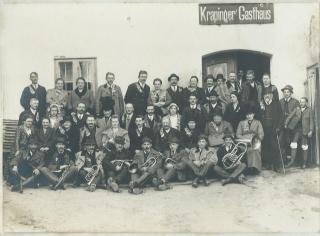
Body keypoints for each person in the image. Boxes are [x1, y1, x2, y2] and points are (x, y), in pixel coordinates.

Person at [287, 97, 314, 168]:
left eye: (303, 102)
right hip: (296, 130)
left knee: (304, 146)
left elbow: (311, 121)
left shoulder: (309, 110)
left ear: (306, 103)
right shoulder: (297, 109)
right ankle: (292, 161)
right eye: (301, 102)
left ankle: (304, 163)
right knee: (293, 144)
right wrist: (286, 124)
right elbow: (290, 116)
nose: (301, 103)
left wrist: (311, 130)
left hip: (305, 131)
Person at [279, 85, 301, 167]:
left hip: (293, 127)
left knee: (293, 143)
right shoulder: (280, 102)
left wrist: (290, 126)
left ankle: (292, 162)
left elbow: (298, 116)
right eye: (284, 92)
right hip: (282, 127)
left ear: (291, 93)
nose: (286, 94)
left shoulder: (296, 102)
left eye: (288, 92)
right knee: (281, 142)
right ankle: (283, 160)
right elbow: (278, 114)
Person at [236, 108, 264, 174]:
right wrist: (244, 139)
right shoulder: (242, 123)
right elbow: (238, 134)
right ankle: (247, 169)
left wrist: (257, 139)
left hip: (255, 141)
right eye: (247, 115)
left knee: (254, 150)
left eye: (250, 114)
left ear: (253, 115)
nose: (249, 116)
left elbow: (261, 133)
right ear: (246, 116)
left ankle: (255, 168)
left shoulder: (258, 122)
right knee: (244, 150)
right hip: (244, 142)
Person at [261, 92, 284, 171]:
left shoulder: (276, 104)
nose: (267, 96)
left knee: (274, 146)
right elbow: (259, 116)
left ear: (272, 96)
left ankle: (276, 165)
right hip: (264, 129)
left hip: (274, 128)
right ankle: (268, 164)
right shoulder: (262, 104)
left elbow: (281, 116)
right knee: (266, 146)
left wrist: (278, 127)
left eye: (269, 94)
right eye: (265, 94)